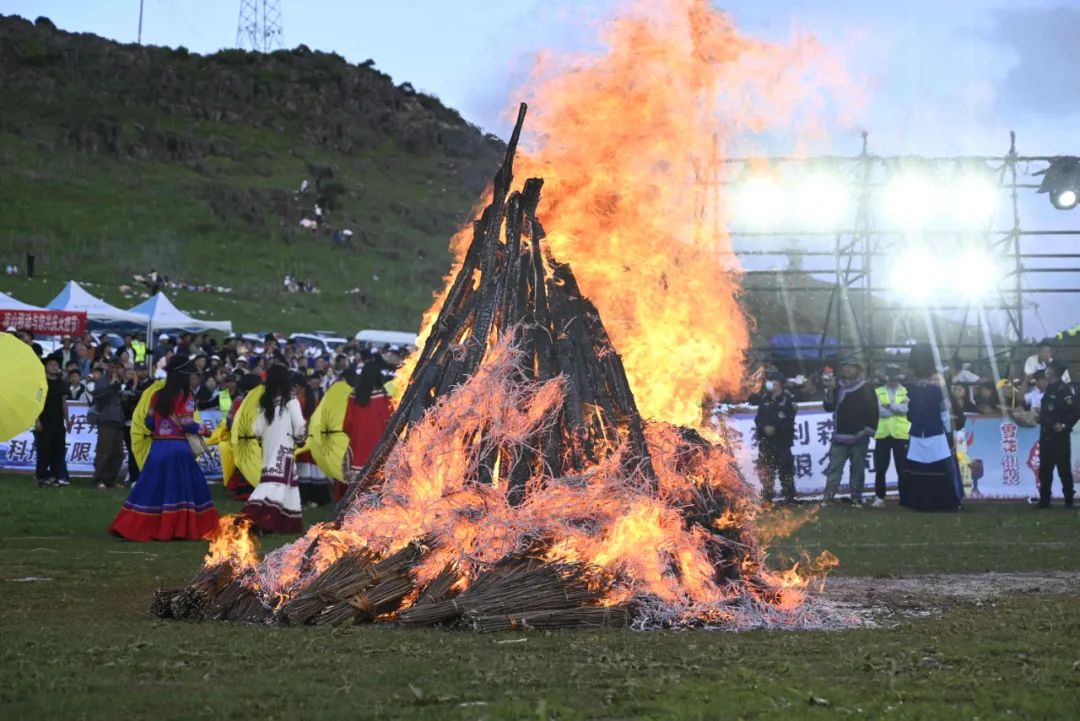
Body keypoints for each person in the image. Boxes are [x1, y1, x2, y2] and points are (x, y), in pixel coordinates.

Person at [108, 356, 219, 540]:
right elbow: (186, 423)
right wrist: (205, 431)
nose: (192, 378)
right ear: (182, 375)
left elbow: (149, 421)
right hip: (179, 450)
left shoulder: (156, 395)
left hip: (158, 448)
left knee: (152, 490)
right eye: (190, 374)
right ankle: (181, 529)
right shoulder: (186, 395)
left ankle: (135, 526)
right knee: (184, 490)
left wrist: (162, 427)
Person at [242, 365, 307, 533]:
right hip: (284, 447)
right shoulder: (291, 400)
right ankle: (254, 517)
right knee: (276, 483)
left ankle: (284, 524)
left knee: (283, 483)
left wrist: (261, 439)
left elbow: (257, 428)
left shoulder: (266, 402)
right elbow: (299, 424)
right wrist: (300, 439)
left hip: (269, 448)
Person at [901, 344, 962, 512]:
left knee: (922, 468)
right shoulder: (931, 391)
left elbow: (912, 413)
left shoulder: (914, 390)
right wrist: (949, 432)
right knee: (937, 467)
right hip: (930, 432)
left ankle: (919, 501)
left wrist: (948, 432)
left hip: (928, 433)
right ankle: (941, 501)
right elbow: (944, 412)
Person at [821, 357, 879, 505]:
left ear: (858, 369)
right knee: (834, 468)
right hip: (840, 435)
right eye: (845, 366)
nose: (847, 369)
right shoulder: (837, 386)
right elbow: (829, 407)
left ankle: (856, 497)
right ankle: (828, 498)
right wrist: (829, 390)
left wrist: (868, 430)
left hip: (859, 435)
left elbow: (873, 411)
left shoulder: (866, 387)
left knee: (858, 469)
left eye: (851, 367)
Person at [340, 358, 395, 501]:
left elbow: (347, 424)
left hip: (357, 449)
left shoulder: (354, 397)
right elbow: (391, 424)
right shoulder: (384, 398)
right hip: (379, 449)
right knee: (377, 489)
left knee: (355, 493)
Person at [1036, 359, 1077, 508]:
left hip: (1059, 437)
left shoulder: (1064, 391)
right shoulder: (1049, 388)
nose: (1046, 371)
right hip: (1046, 434)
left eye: (1049, 369)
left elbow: (1074, 412)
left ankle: (1068, 500)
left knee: (1063, 469)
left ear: (1053, 372)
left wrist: (1064, 425)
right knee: (1045, 469)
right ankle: (1044, 500)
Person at [752, 370, 797, 503]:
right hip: (766, 442)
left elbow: (789, 419)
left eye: (774, 381)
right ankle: (767, 496)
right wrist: (764, 426)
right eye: (769, 381)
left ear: (780, 383)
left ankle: (789, 497)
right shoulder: (764, 398)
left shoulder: (788, 399)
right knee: (766, 471)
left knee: (786, 470)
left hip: (782, 441)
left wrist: (775, 427)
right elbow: (758, 418)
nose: (771, 384)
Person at [872, 365, 910, 508]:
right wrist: (897, 408)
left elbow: (906, 410)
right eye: (891, 379)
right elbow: (879, 412)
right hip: (883, 434)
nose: (893, 382)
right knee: (881, 467)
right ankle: (879, 497)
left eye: (895, 379)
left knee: (903, 468)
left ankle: (905, 498)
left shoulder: (905, 391)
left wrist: (890, 406)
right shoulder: (878, 391)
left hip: (900, 434)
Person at [35, 356, 71, 487]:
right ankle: (42, 477)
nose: (54, 367)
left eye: (56, 364)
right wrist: (37, 420)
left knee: (58, 450)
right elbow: (36, 402)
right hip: (44, 422)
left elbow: (63, 403)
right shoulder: (41, 382)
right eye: (51, 364)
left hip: (58, 422)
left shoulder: (61, 383)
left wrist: (68, 419)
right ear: (45, 367)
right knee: (44, 450)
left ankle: (55, 476)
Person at [225, 373, 262, 501]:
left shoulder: (239, 400)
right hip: (256, 437)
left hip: (241, 437)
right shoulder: (261, 400)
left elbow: (230, 419)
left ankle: (242, 491)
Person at [90, 362, 126, 489]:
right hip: (106, 419)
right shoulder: (102, 380)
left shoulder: (119, 382)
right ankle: (98, 479)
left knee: (118, 453)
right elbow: (98, 396)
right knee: (104, 451)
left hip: (118, 419)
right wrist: (111, 386)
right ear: (107, 367)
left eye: (117, 367)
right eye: (112, 366)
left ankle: (111, 480)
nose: (114, 370)